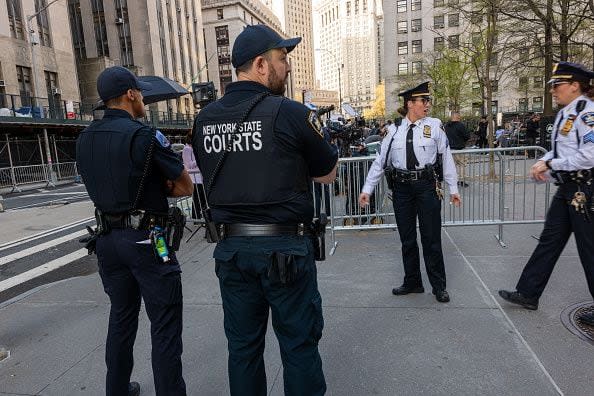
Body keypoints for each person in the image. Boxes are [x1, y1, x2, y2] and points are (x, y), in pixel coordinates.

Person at [192, 24, 338, 395]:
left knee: (242, 349)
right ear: (260, 64)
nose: (286, 68)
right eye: (282, 59)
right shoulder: (289, 113)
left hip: (233, 251)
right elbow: (328, 173)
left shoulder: (204, 119)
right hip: (284, 251)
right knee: (299, 346)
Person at [76, 66, 193, 396]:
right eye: (139, 92)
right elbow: (185, 187)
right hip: (148, 239)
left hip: (107, 241)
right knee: (165, 324)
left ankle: (117, 390)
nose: (143, 97)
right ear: (130, 95)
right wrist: (160, 187)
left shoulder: (85, 139)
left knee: (121, 319)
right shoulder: (145, 135)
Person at [498, 61, 594, 327]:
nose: (553, 90)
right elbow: (562, 152)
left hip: (585, 190)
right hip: (567, 189)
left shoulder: (588, 113)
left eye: (558, 85)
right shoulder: (566, 113)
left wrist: (550, 163)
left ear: (576, 86)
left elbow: (589, 155)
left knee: (590, 250)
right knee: (548, 242)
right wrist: (544, 165)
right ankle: (528, 293)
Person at [358, 81, 461, 303]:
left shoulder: (434, 126)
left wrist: (453, 188)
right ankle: (412, 281)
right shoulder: (393, 130)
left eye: (428, 100)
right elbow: (379, 162)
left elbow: (447, 158)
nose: (428, 104)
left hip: (426, 187)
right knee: (407, 239)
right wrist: (367, 189)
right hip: (402, 189)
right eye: (424, 100)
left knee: (431, 238)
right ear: (410, 103)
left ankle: (438, 286)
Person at [182, 131, 206, 220]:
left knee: (202, 199)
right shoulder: (187, 149)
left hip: (199, 178)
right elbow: (189, 165)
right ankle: (196, 217)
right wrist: (199, 159)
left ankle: (201, 216)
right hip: (194, 178)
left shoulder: (193, 148)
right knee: (196, 199)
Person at [444, 112, 470, 186]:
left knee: (452, 166)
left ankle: (453, 180)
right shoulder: (461, 125)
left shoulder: (446, 126)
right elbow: (467, 136)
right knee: (462, 165)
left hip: (450, 150)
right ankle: (461, 181)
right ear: (458, 117)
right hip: (460, 149)